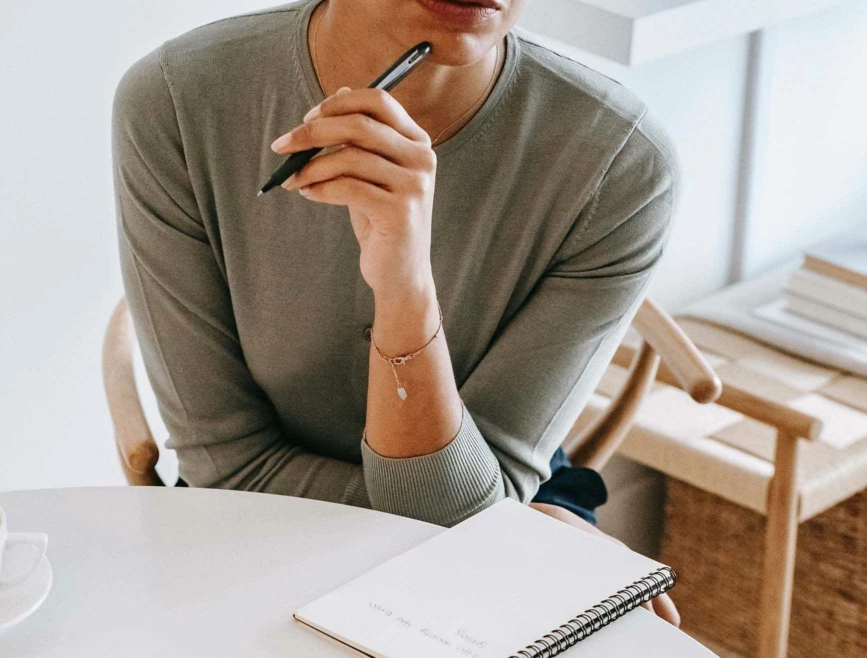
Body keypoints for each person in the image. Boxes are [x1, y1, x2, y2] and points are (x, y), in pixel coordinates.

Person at [112, 0, 680, 624]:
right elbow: (228, 463)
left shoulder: (620, 163)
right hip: (263, 517)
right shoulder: (176, 99)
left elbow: (475, 512)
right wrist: (497, 524)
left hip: (489, 517)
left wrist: (406, 289)